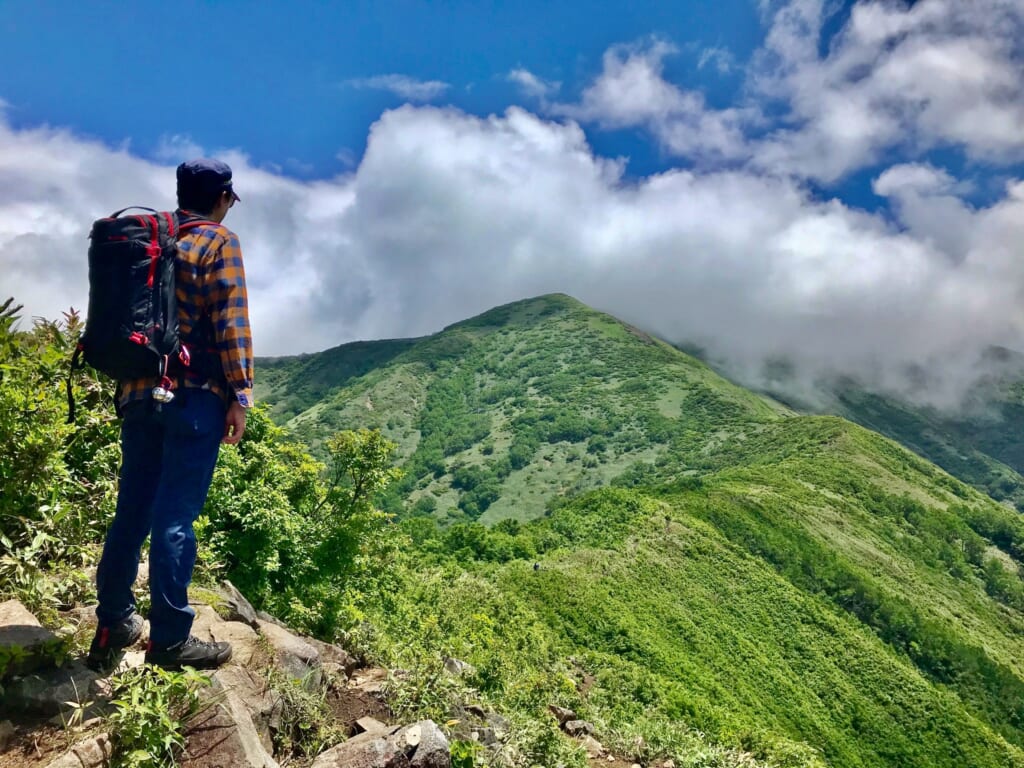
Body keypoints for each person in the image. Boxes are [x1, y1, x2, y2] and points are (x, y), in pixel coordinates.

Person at [87, 159, 254, 671]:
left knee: (132, 509)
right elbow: (231, 319)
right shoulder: (218, 242)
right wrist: (240, 393)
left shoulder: (147, 240)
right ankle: (171, 640)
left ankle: (115, 620)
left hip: (137, 393)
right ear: (223, 197)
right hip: (194, 396)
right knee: (175, 516)